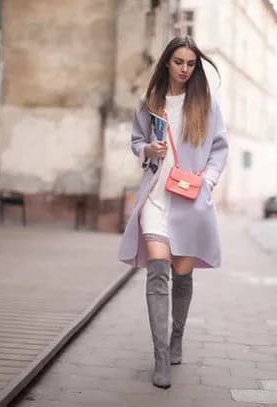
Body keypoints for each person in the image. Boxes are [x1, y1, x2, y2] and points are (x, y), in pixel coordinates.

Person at [118, 36, 228, 389]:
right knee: (157, 270)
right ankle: (160, 355)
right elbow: (136, 141)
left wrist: (207, 182)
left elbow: (220, 150)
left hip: (188, 201)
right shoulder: (150, 103)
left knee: (182, 275)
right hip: (155, 197)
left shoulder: (206, 106)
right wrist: (147, 148)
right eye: (178, 62)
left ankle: (177, 336)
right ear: (167, 62)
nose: (184, 69)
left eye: (190, 64)